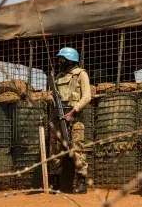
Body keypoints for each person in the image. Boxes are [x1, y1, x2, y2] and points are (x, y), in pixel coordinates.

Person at [50, 47, 91, 194]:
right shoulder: (58, 77)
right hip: (58, 116)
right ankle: (54, 183)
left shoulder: (81, 74)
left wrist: (73, 112)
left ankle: (81, 182)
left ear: (70, 60)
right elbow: (53, 96)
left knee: (77, 148)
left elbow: (87, 97)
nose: (60, 62)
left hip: (75, 117)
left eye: (62, 59)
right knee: (55, 149)